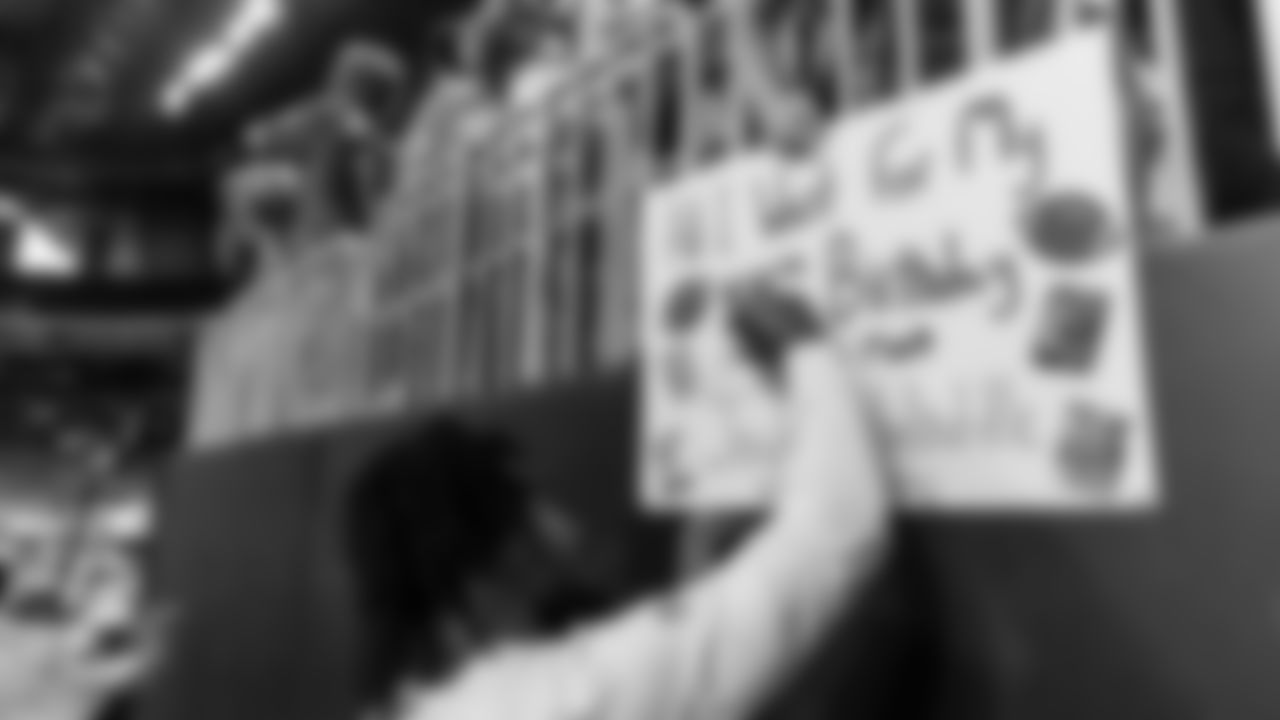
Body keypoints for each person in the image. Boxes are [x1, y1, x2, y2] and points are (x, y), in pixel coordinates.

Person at [348, 285, 893, 719]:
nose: (557, 525)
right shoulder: (555, 700)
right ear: (484, 563)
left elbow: (672, 677)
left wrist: (693, 582)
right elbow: (831, 542)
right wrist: (807, 353)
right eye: (527, 505)